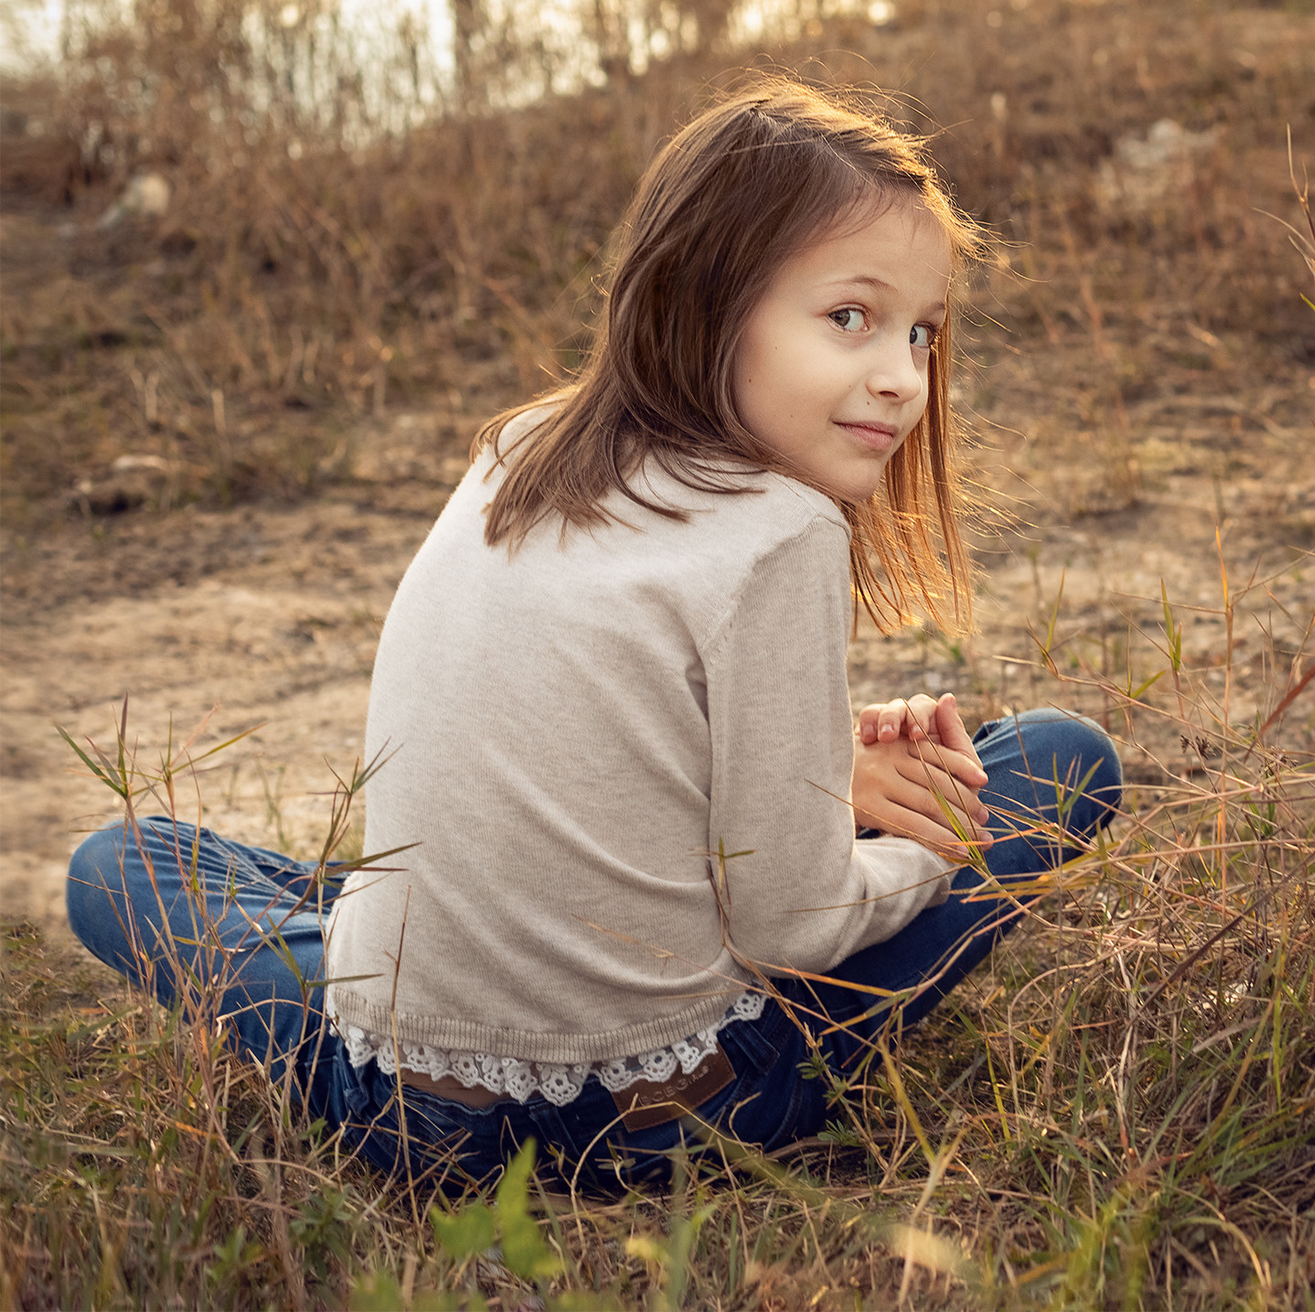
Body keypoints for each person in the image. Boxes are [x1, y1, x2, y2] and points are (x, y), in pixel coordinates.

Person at [64, 84, 1121, 1189]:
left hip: (396, 1107)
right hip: (668, 1118)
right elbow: (794, 926)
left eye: (921, 332)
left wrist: (825, 769)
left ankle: (476, 924)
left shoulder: (523, 447)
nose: (902, 375)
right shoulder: (783, 530)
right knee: (1061, 758)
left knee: (117, 862)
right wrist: (931, 854)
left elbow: (596, 720)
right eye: (849, 317)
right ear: (705, 300)